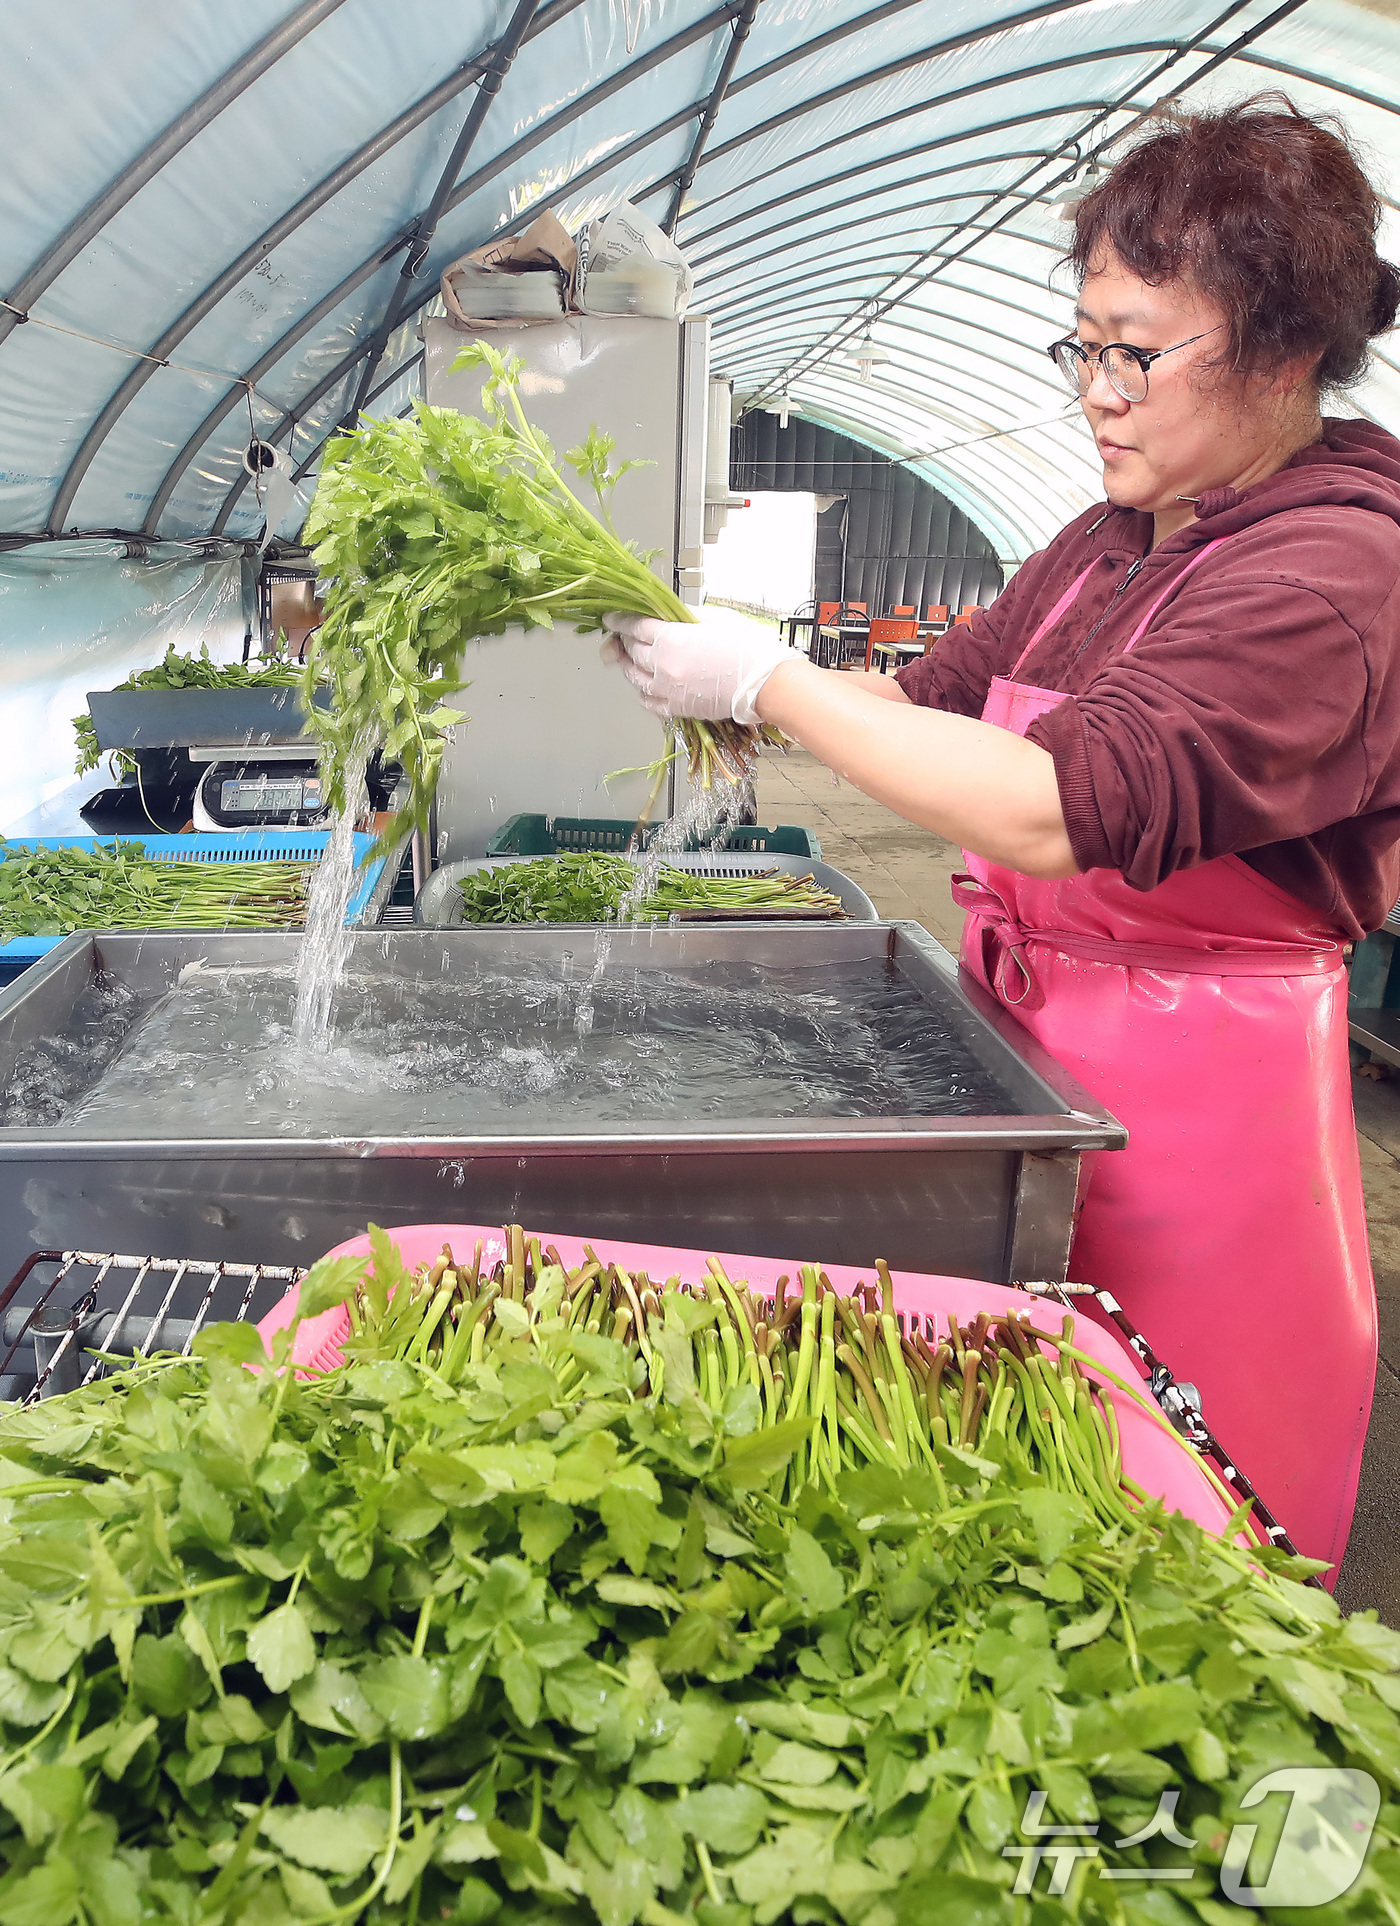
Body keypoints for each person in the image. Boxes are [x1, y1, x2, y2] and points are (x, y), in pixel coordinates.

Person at [605, 96, 1400, 1578]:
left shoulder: (1339, 569)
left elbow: (1052, 807)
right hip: (1042, 1091)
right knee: (1012, 1526)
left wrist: (763, 675)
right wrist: (741, 694)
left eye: (1137, 351)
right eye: (1082, 345)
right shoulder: (1116, 538)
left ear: (1288, 351)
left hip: (1210, 1158)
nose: (1095, 391)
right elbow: (929, 698)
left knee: (1173, 1560)